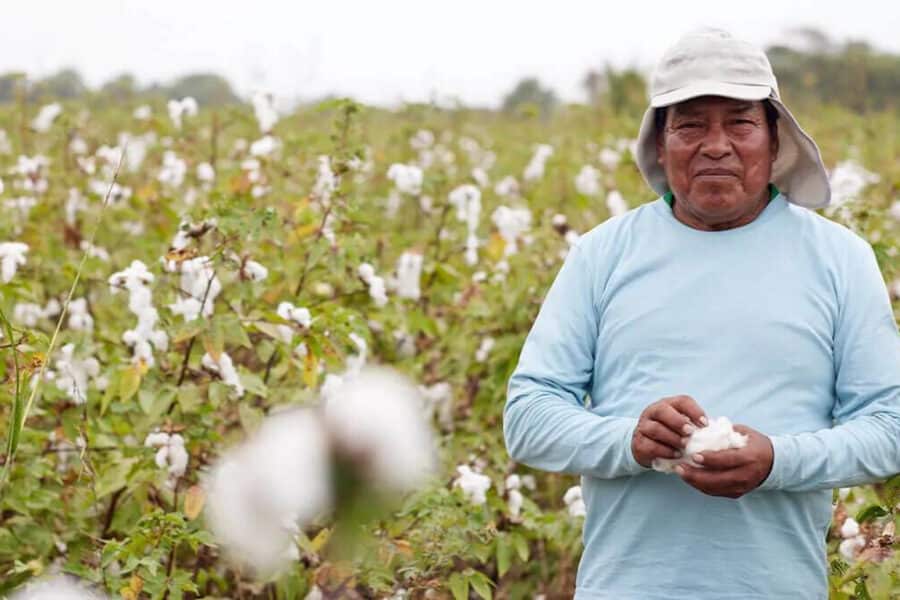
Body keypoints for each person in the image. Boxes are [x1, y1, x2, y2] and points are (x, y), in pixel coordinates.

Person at [503, 28, 900, 599]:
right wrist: (632, 442)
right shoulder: (602, 255)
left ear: (774, 140)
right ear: (660, 145)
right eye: (690, 125)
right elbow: (528, 418)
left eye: (740, 123)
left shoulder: (839, 259)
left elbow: (888, 427)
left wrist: (777, 461)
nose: (716, 145)